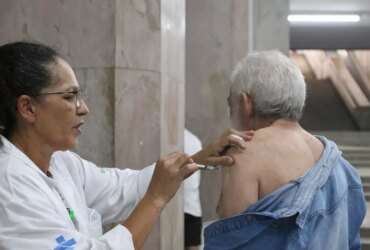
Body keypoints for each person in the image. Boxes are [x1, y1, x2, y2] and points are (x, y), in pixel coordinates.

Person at [0, 41, 253, 250]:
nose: (84, 108)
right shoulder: (10, 185)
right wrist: (155, 200)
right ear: (28, 108)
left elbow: (123, 187)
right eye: (69, 97)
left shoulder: (62, 163)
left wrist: (197, 159)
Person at [204, 51, 366, 250]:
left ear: (246, 103)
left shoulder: (245, 153)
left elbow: (232, 244)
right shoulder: (343, 168)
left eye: (231, 104)